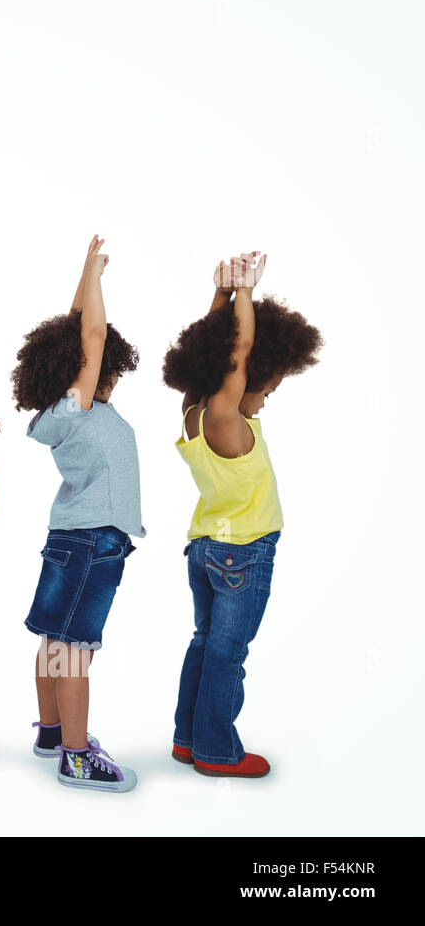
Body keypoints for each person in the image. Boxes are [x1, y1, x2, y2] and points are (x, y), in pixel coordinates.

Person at [163, 251, 322, 778]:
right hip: (242, 556)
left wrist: (221, 296)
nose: (266, 401)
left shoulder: (193, 409)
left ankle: (188, 740)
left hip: (206, 548)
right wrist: (247, 292)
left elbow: (213, 352)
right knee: (229, 654)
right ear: (244, 378)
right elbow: (237, 352)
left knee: (205, 644)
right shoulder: (227, 421)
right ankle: (216, 750)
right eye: (267, 389)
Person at [11, 236, 143, 792]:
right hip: (92, 542)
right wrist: (92, 272)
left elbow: (75, 334)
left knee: (55, 641)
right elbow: (89, 337)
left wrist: (82, 286)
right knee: (75, 650)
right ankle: (76, 753)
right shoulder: (80, 404)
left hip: (71, 537)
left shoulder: (59, 413)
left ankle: (51, 732)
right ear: (87, 371)